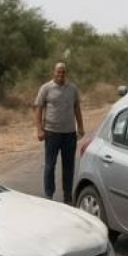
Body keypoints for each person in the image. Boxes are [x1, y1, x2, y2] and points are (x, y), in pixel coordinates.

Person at [34, 62, 84, 205]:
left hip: (69, 134)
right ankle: (49, 195)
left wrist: (80, 126)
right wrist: (39, 129)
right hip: (52, 133)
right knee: (50, 165)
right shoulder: (46, 88)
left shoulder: (72, 89)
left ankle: (67, 196)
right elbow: (38, 109)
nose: (61, 75)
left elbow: (77, 108)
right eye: (58, 72)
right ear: (54, 72)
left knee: (69, 167)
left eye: (63, 72)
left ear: (65, 73)